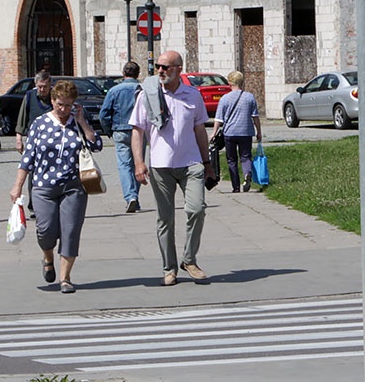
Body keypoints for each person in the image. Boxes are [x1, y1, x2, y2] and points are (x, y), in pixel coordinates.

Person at [130, 50, 216, 286]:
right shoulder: (147, 95)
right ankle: (169, 268)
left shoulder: (192, 95)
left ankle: (189, 260)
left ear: (179, 69)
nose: (160, 70)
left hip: (191, 164)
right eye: (158, 66)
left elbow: (200, 130)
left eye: (165, 67)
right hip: (161, 166)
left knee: (197, 209)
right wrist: (139, 162)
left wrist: (207, 163)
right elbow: (137, 131)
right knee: (165, 219)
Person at [9, 80, 102, 294]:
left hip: (74, 186)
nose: (63, 109)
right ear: (52, 101)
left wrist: (82, 121)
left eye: (68, 105)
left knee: (70, 232)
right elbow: (28, 158)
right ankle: (48, 258)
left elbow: (96, 145)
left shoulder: (77, 121)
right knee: (45, 231)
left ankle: (65, 278)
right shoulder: (40, 124)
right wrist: (18, 186)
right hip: (43, 187)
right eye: (60, 104)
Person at [99, 61, 142, 213]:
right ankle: (135, 197)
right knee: (138, 163)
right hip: (139, 131)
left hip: (120, 130)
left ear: (124, 73)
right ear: (138, 74)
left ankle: (130, 197)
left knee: (124, 165)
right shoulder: (141, 89)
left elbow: (103, 114)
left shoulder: (114, 90)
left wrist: (109, 130)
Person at [210, 70, 262, 193]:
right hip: (246, 132)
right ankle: (247, 174)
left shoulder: (224, 99)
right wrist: (259, 131)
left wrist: (214, 132)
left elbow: (218, 118)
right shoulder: (249, 97)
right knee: (245, 156)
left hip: (230, 133)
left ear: (229, 82)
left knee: (231, 159)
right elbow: (255, 116)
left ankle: (236, 186)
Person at [15, 70, 53, 216]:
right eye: (39, 86)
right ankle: (34, 206)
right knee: (33, 173)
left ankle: (48, 203)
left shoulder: (54, 97)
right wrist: (19, 138)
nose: (42, 90)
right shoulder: (30, 96)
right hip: (34, 141)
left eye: (45, 87)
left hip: (52, 141)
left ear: (50, 85)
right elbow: (22, 117)